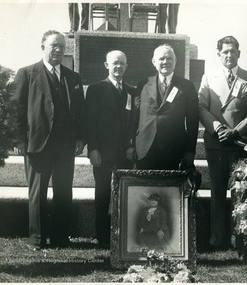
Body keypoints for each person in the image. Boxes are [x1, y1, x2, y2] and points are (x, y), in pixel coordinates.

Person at [13, 30, 86, 250]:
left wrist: (81, 139)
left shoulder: (73, 77)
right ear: (42, 46)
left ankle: (61, 238)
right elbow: (17, 109)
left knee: (64, 191)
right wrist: (20, 140)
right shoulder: (27, 73)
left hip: (65, 146)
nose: (58, 50)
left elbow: (80, 111)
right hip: (38, 144)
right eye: (54, 45)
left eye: (62, 46)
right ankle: (37, 239)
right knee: (38, 193)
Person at [198, 35, 247, 249]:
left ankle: (240, 239)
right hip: (216, 142)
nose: (228, 55)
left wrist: (235, 132)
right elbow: (201, 108)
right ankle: (217, 239)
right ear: (218, 54)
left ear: (238, 53)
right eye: (224, 51)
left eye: (232, 51)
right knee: (217, 191)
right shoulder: (208, 77)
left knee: (240, 192)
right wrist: (218, 128)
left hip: (240, 143)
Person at [86, 50, 136, 248]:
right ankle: (103, 238)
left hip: (124, 153)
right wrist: (93, 149)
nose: (119, 67)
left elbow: (133, 122)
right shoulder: (96, 89)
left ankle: (122, 236)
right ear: (106, 65)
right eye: (115, 63)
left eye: (122, 64)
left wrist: (131, 145)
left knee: (123, 195)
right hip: (103, 153)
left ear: (126, 66)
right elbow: (91, 122)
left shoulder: (131, 91)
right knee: (102, 195)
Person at [134, 44, 199, 170]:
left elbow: (193, 121)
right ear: (154, 62)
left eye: (169, 59)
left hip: (173, 150)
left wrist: (190, 152)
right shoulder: (143, 84)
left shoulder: (187, 86)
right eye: (161, 59)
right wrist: (130, 145)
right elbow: (135, 117)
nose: (166, 62)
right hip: (145, 150)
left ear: (175, 61)